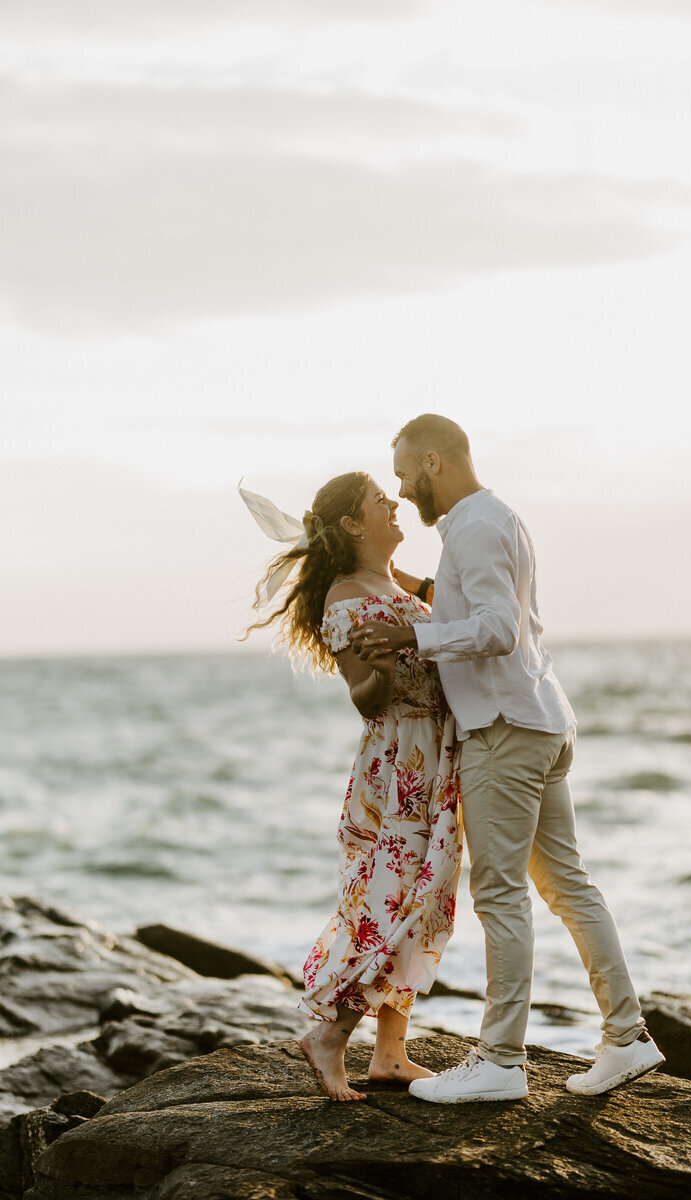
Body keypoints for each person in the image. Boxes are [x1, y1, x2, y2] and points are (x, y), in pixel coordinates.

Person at [350, 415, 664, 1103]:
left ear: (434, 462)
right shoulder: (493, 519)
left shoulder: (473, 525)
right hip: (540, 719)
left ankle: (500, 1062)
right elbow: (490, 608)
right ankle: (627, 1037)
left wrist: (414, 632)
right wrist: (422, 590)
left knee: (500, 893)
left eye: (404, 474)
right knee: (568, 887)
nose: (401, 492)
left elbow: (496, 629)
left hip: (504, 730)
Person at [241, 470, 462, 1102]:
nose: (394, 505)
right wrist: (386, 673)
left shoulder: (395, 584)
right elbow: (364, 700)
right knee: (391, 901)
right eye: (378, 500)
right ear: (352, 525)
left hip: (435, 759)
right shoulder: (344, 597)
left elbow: (455, 606)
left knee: (429, 901)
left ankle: (390, 1053)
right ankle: (332, 1034)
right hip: (399, 767)